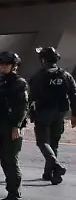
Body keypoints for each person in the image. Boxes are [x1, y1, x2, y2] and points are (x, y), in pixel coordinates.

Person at [0, 51, 29, 200]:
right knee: (5, 162)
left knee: (11, 162)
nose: (2, 66)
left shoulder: (19, 83)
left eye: (6, 64)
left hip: (12, 127)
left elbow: (22, 106)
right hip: (0, 126)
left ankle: (15, 198)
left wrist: (16, 126)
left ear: (14, 66)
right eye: (1, 64)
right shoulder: (0, 83)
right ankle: (11, 196)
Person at [27, 46, 76, 184]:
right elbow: (74, 95)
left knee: (42, 142)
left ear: (42, 59)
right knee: (54, 143)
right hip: (60, 113)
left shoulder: (38, 76)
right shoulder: (66, 75)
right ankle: (50, 174)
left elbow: (30, 97)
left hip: (43, 113)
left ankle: (56, 166)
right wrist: (74, 115)